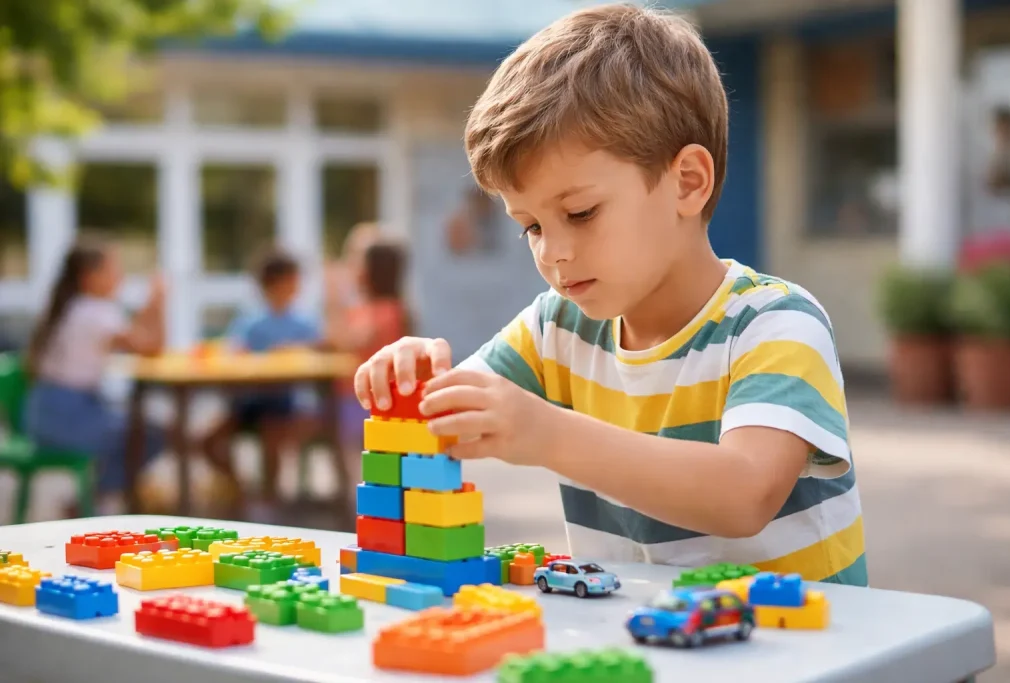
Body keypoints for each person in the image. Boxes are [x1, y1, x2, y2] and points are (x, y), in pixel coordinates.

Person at [352, 4, 867, 585]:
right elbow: (456, 422)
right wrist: (417, 383)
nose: (552, 252)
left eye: (580, 212)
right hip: (651, 645)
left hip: (806, 653)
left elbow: (745, 494)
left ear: (687, 182)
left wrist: (545, 433)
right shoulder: (557, 327)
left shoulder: (775, 324)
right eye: (532, 226)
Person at [23, 237, 165, 515]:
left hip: (40, 415)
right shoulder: (95, 311)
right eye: (113, 269)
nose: (120, 277)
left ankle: (94, 502)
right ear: (90, 277)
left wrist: (149, 308)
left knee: (136, 429)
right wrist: (158, 302)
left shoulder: (70, 306)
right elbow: (151, 347)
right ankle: (95, 502)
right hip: (68, 417)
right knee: (151, 435)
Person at [201, 248, 324, 505]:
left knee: (272, 438)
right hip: (247, 402)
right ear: (275, 284)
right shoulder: (251, 322)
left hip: (283, 403)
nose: (297, 286)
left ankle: (271, 501)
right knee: (207, 441)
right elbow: (233, 353)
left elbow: (320, 351)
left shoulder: (303, 323)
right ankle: (242, 491)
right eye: (293, 280)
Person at [326, 238, 410, 491]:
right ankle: (350, 501)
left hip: (369, 403)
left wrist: (333, 298)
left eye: (355, 262)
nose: (349, 268)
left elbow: (347, 341)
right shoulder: (362, 308)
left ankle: (357, 503)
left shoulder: (387, 310)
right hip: (350, 399)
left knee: (372, 467)